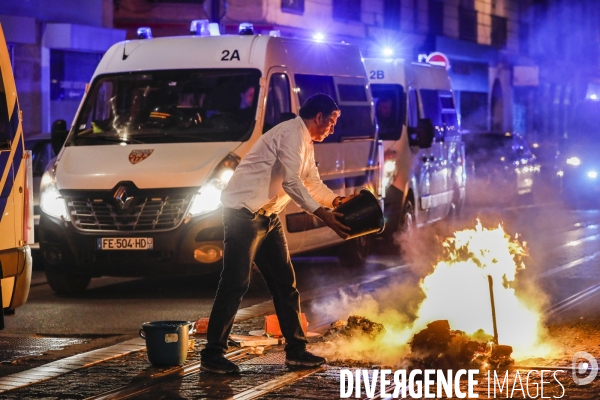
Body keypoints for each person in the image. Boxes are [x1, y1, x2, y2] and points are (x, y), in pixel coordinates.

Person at [200, 93, 353, 374]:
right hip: (243, 213)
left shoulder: (306, 141)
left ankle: (296, 351)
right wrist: (323, 215)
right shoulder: (291, 135)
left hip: (268, 216)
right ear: (318, 117)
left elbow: (312, 182)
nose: (332, 129)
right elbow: (293, 182)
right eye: (331, 122)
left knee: (285, 284)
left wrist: (336, 202)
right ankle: (212, 355)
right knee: (235, 283)